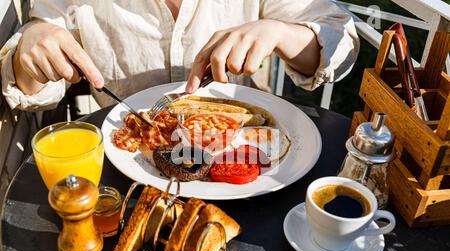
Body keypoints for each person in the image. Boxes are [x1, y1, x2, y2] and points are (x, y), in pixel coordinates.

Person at [0, 0, 359, 112]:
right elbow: (31, 88)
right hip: (125, 160)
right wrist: (29, 51)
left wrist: (283, 33)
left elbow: (340, 49)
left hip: (231, 157)